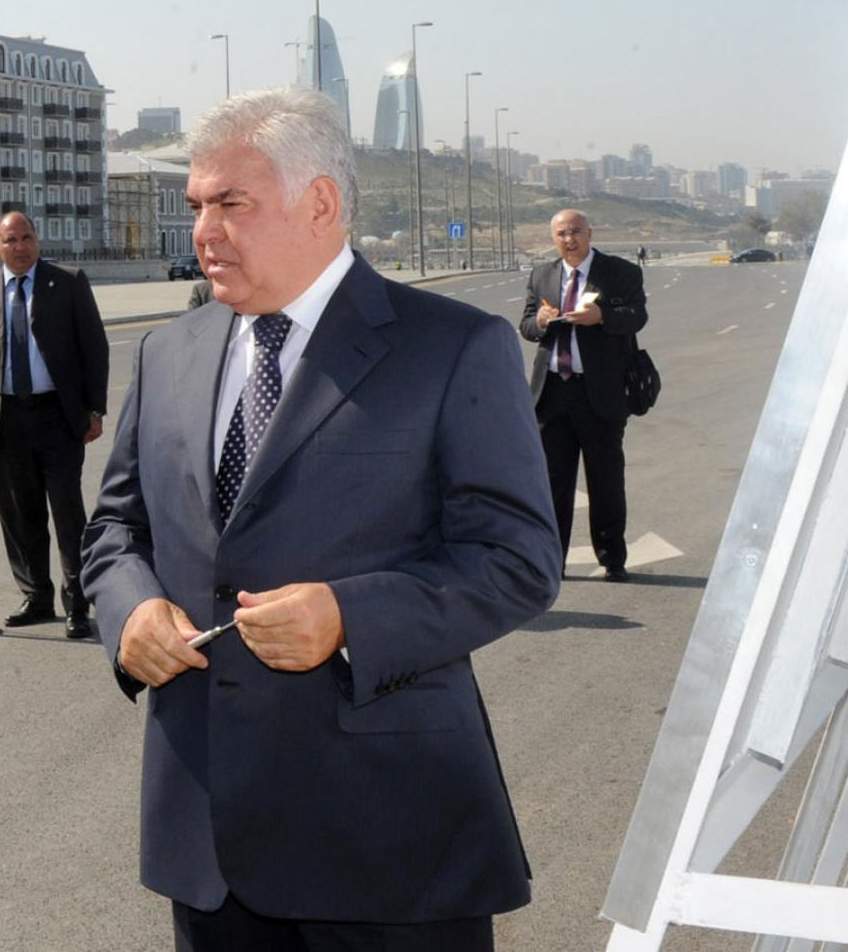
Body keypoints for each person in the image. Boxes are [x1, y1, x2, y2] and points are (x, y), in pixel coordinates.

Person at [82, 87, 560, 950]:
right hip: (209, 842)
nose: (203, 230)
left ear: (321, 204)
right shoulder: (169, 353)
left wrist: (349, 616)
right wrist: (130, 613)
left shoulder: (451, 348)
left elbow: (516, 558)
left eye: (232, 203)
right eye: (196, 206)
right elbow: (116, 531)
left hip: (389, 843)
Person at [0, 209, 111, 638]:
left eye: (26, 238)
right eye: (11, 240)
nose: (20, 247)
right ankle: (36, 596)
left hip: (58, 417)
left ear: (37, 241)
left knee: (67, 513)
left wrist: (94, 408)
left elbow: (94, 347)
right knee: (21, 515)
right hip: (5, 421)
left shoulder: (69, 283)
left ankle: (78, 604)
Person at [518, 208, 648, 582]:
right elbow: (526, 324)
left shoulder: (620, 272)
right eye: (561, 234)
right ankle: (551, 562)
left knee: (605, 478)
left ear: (590, 233)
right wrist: (540, 321)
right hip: (552, 394)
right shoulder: (541, 275)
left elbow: (637, 316)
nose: (569, 239)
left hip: (600, 392)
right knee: (551, 484)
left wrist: (601, 316)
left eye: (575, 232)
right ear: (553, 238)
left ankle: (612, 557)